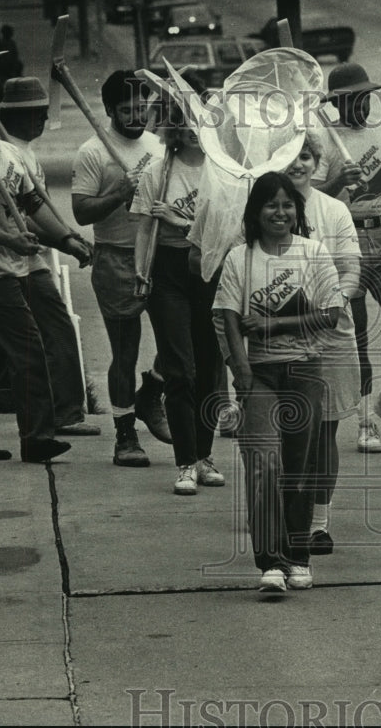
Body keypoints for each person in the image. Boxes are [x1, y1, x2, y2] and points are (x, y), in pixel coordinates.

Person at [0, 68, 91, 464]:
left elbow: (34, 205)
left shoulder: (7, 153)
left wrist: (67, 240)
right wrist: (12, 240)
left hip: (14, 268)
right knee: (29, 350)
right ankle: (37, 437)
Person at [213, 172, 344, 593]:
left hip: (305, 369)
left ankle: (299, 556)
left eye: (288, 205)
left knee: (300, 467)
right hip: (260, 376)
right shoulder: (240, 258)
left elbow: (331, 314)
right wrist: (242, 375)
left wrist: (275, 323)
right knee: (265, 463)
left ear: (297, 211)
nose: (280, 212)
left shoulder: (315, 253)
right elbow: (228, 318)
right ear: (256, 211)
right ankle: (270, 561)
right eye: (271, 205)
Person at [314, 63, 381, 454]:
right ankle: (365, 421)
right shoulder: (324, 139)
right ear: (336, 103)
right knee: (356, 338)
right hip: (344, 239)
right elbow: (310, 194)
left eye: (363, 97)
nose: (357, 105)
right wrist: (338, 181)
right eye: (348, 99)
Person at [71, 70, 169, 468]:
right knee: (124, 353)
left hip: (160, 254)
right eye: (127, 109)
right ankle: (125, 434)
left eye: (141, 107)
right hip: (116, 258)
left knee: (180, 344)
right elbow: (80, 212)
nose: (136, 116)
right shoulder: (93, 152)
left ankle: (152, 393)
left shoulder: (161, 146)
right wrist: (118, 192)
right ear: (109, 110)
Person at [133, 94, 226, 495]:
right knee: (180, 368)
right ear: (174, 126)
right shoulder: (159, 169)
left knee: (209, 368)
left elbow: (223, 232)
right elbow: (143, 227)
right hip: (168, 273)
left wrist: (179, 219)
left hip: (208, 271)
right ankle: (186, 462)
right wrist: (140, 272)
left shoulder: (223, 173)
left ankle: (205, 457)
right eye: (184, 121)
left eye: (199, 122)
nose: (191, 129)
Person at [282, 133, 361, 555]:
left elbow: (351, 269)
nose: (299, 164)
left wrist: (333, 303)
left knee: (324, 429)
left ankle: (317, 523)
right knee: (286, 428)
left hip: (331, 330)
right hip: (278, 335)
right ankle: (282, 514)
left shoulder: (335, 211)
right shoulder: (264, 209)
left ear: (317, 163)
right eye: (291, 156)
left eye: (307, 156)